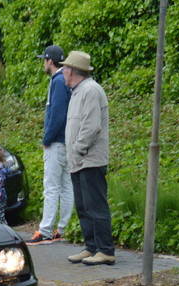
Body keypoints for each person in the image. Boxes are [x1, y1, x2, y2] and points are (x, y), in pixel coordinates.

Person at [62, 50, 115, 266]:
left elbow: (92, 126)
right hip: (79, 161)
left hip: (89, 160)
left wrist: (78, 150)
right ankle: (92, 247)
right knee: (83, 207)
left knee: (96, 206)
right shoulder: (78, 91)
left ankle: (106, 250)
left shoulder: (91, 90)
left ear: (72, 71)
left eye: (65, 68)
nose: (63, 71)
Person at [27, 45, 74, 245]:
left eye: (44, 60)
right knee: (66, 185)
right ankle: (62, 228)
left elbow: (57, 113)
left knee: (51, 187)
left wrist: (47, 138)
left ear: (49, 61)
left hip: (57, 142)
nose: (43, 64)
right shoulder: (68, 79)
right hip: (68, 140)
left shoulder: (57, 81)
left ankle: (45, 230)